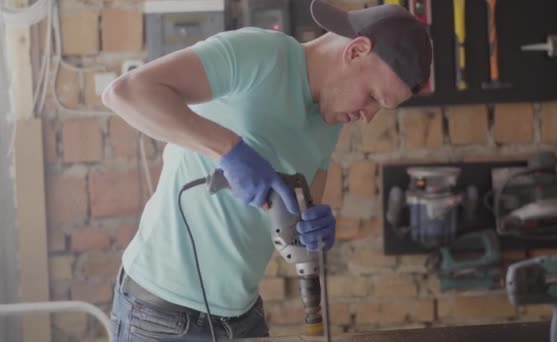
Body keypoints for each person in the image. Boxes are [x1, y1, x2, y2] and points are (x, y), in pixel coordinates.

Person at [102, 0, 432, 340]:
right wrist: (229, 150)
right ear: (357, 51)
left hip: (241, 317)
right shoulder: (258, 54)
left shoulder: (331, 118)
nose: (369, 115)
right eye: (373, 96)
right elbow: (126, 93)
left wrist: (311, 231)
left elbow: (300, 211)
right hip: (161, 315)